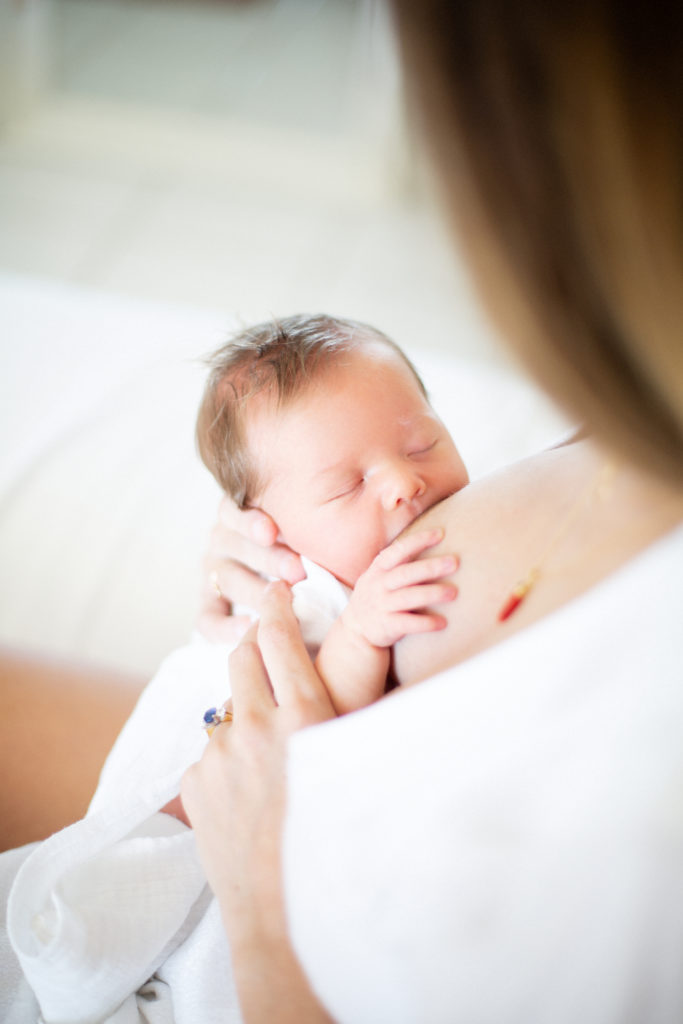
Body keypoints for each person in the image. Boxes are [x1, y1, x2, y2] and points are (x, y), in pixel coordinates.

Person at [2, 0, 682, 1020]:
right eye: (341, 483)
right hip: (223, 779)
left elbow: (334, 720)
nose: (408, 484)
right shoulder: (632, 396)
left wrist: (262, 905)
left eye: (420, 442)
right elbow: (235, 702)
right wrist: (256, 597)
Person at [196, 312, 467, 713]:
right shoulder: (304, 605)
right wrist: (358, 634)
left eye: (422, 446)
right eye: (349, 486)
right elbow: (301, 720)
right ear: (271, 531)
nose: (404, 484)